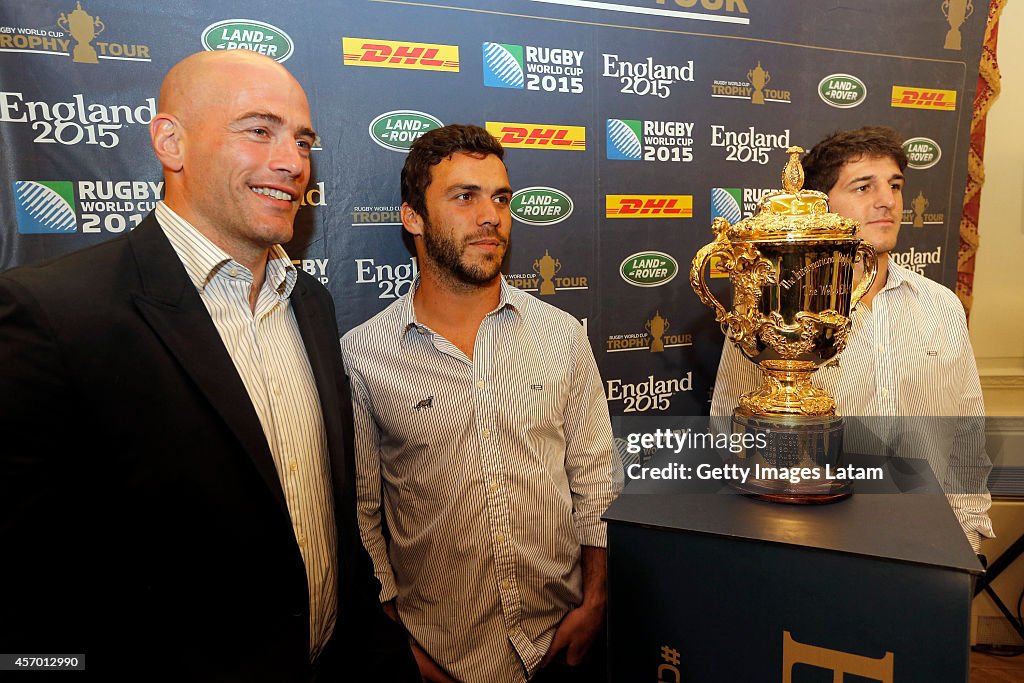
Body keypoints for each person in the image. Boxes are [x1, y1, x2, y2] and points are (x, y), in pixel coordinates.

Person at [0, 50, 417, 681]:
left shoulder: (311, 303)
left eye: (303, 140)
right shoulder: (54, 313)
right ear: (171, 141)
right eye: (259, 130)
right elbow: (24, 592)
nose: (292, 162)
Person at [341, 124, 617, 683]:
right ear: (413, 218)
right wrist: (402, 647)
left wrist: (595, 601)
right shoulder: (362, 355)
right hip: (437, 657)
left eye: (500, 198)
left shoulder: (561, 335)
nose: (490, 215)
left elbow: (594, 478)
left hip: (559, 645)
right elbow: (362, 515)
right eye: (464, 197)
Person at [710, 125, 994, 551]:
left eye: (895, 186)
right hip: (813, 546)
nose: (887, 201)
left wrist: (969, 536)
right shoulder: (772, 310)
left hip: (930, 544)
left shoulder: (942, 306)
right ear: (823, 207)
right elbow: (727, 431)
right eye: (863, 187)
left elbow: (968, 434)